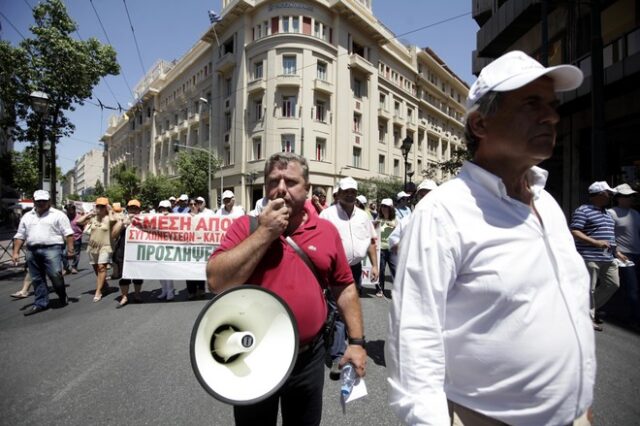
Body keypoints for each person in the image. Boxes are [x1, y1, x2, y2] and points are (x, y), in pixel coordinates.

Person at [387, 51, 595, 425]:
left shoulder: (547, 204)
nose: (551, 116)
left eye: (551, 104)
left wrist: (580, 400)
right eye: (531, 103)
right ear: (481, 124)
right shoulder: (443, 212)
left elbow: (570, 306)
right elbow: (415, 343)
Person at [207, 152, 366, 426]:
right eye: (273, 181)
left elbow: (345, 287)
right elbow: (216, 282)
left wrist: (357, 342)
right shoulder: (245, 227)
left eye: (291, 182)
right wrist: (265, 233)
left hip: (308, 359)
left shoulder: (326, 231)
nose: (281, 188)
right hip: (252, 356)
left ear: (307, 189)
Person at [320, 176, 378, 379]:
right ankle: (337, 355)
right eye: (346, 191)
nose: (350, 194)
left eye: (353, 191)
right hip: (335, 268)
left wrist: (375, 265)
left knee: (350, 308)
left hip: (354, 269)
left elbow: (371, 241)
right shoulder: (327, 214)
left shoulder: (363, 216)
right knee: (338, 310)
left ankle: (342, 342)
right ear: (339, 193)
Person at [570, 181, 625, 331]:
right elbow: (575, 231)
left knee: (613, 284)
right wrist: (595, 242)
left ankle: (585, 310)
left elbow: (610, 236)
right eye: (609, 193)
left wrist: (617, 252)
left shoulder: (607, 213)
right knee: (590, 289)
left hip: (608, 257)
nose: (611, 196)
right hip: (590, 256)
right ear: (600, 194)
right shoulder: (583, 210)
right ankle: (587, 317)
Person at [12, 190, 75, 316]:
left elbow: (68, 233)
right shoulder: (27, 216)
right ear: (34, 201)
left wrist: (70, 249)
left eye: (44, 201)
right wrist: (15, 252)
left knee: (55, 275)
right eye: (38, 201)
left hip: (52, 249)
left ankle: (61, 294)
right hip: (32, 250)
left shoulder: (58, 215)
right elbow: (20, 235)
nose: (41, 203)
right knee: (37, 278)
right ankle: (41, 303)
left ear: (49, 201)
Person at [608, 183, 640, 327]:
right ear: (618, 198)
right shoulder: (611, 213)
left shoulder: (636, 213)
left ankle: (618, 313)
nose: (630, 198)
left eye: (631, 196)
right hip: (622, 254)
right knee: (631, 288)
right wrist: (616, 252)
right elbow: (608, 235)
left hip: (637, 253)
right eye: (627, 196)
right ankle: (634, 318)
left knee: (628, 287)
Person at [78, 197, 117, 302]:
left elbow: (114, 220)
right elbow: (79, 221)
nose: (99, 208)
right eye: (98, 206)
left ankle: (98, 291)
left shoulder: (109, 218)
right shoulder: (93, 218)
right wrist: (88, 214)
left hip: (106, 246)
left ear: (106, 207)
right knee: (96, 269)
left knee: (101, 267)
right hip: (93, 246)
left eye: (102, 206)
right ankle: (104, 285)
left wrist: (110, 210)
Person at [388, 179, 438, 254]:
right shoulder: (407, 221)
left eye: (429, 195)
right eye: (422, 196)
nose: (425, 199)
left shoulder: (446, 221)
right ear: (418, 197)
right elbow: (393, 243)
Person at [113, 199, 144, 308]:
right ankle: (124, 296)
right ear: (127, 209)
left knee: (138, 275)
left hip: (138, 252)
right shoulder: (122, 219)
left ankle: (137, 294)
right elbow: (114, 234)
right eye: (131, 208)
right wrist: (123, 222)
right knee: (124, 276)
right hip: (123, 251)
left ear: (139, 210)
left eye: (136, 209)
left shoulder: (144, 219)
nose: (133, 210)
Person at [375, 198, 396, 298]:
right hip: (380, 249)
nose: (384, 208)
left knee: (395, 270)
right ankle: (380, 289)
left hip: (392, 250)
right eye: (382, 206)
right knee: (381, 270)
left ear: (391, 208)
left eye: (386, 206)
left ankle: (399, 290)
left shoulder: (396, 220)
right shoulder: (378, 218)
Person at [155, 200, 175, 301]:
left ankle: (170, 292)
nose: (163, 210)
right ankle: (164, 290)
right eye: (161, 208)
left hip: (169, 247)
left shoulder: (175, 218)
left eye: (166, 208)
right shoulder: (154, 218)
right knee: (160, 271)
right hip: (158, 247)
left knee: (168, 271)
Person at [63, 204, 84, 274]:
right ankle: (66, 268)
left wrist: (81, 232)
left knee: (76, 254)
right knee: (63, 253)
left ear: (74, 210)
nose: (70, 212)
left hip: (77, 237)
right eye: (68, 211)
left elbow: (85, 225)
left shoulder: (79, 217)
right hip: (66, 238)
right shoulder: (65, 218)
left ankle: (74, 267)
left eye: (71, 210)